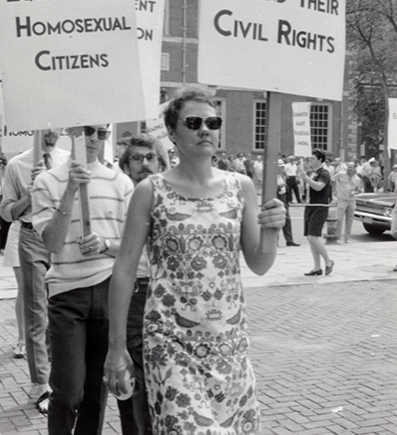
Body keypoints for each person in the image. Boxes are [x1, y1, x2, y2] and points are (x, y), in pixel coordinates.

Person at [104, 88, 285, 435]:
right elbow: (125, 268)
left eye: (212, 122)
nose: (205, 129)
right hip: (170, 341)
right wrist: (116, 347)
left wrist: (272, 231)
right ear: (172, 133)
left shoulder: (240, 186)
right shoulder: (151, 191)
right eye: (194, 122)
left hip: (228, 343)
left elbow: (259, 263)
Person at [31, 125, 133, 434]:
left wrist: (105, 244)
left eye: (102, 133)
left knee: (95, 394)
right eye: (87, 131)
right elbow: (50, 242)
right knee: (67, 392)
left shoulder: (121, 181)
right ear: (71, 131)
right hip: (67, 293)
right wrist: (70, 192)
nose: (93, 139)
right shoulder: (47, 180)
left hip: (109, 291)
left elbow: (133, 247)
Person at [0, 129, 70, 414]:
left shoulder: (68, 160)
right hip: (31, 237)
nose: (52, 134)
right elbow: (6, 213)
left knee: (64, 309)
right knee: (36, 311)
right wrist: (28, 196)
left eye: (57, 129)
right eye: (46, 128)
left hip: (64, 238)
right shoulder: (18, 164)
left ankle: (64, 374)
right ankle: (42, 383)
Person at [117, 134, 166, 435]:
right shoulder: (120, 197)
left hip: (164, 297)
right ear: (126, 165)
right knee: (134, 384)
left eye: (150, 157)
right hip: (134, 295)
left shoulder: (172, 200)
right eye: (137, 158)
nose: (144, 164)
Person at [298, 149, 334, 276]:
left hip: (320, 206)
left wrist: (306, 178)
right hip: (310, 205)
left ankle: (328, 261)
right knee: (311, 238)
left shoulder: (324, 173)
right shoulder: (313, 173)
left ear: (320, 159)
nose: (310, 161)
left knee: (312, 236)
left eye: (312, 158)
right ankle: (317, 267)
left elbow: (319, 186)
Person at [2, 221, 25, 358]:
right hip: (21, 230)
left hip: (46, 230)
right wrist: (27, 199)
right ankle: (22, 340)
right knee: (24, 287)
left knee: (48, 288)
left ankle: (47, 338)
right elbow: (6, 213)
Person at [331, 162, 361, 244]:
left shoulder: (357, 179)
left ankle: (347, 238)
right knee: (339, 219)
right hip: (342, 199)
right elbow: (331, 179)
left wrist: (355, 192)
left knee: (349, 219)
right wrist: (335, 189)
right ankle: (337, 237)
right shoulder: (341, 174)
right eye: (349, 167)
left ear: (355, 168)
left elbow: (359, 190)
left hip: (351, 200)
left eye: (351, 167)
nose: (350, 169)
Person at [277, 160, 300, 246]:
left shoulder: (283, 176)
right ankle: (275, 241)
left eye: (283, 167)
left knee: (287, 221)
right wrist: (279, 187)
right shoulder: (272, 177)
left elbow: (287, 188)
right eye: (281, 167)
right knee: (277, 221)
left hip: (284, 200)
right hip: (277, 200)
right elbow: (270, 188)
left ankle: (289, 240)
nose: (283, 169)